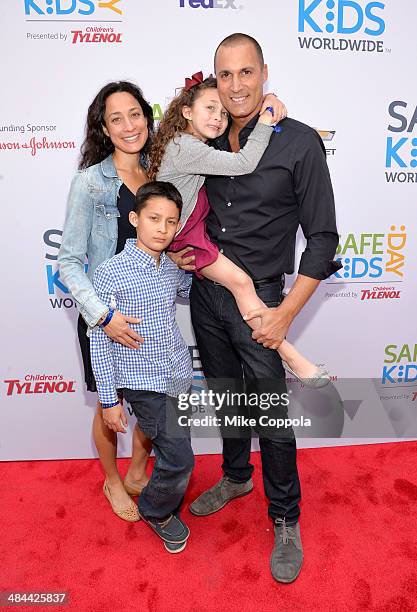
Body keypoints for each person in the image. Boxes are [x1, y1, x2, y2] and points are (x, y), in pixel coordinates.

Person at [173, 34, 342, 583]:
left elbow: (322, 238)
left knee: (270, 412)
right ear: (213, 81)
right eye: (226, 75)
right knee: (226, 396)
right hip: (205, 291)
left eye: (247, 73)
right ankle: (236, 475)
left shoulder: (298, 143)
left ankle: (286, 516)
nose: (237, 85)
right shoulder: (208, 135)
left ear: (264, 73)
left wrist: (287, 312)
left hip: (265, 298)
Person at [150, 73, 329, 386]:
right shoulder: (186, 148)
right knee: (243, 284)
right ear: (187, 112)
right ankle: (289, 354)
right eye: (209, 109)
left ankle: (289, 356)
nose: (218, 118)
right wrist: (267, 119)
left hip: (193, 232)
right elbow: (243, 163)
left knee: (241, 287)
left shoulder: (193, 144)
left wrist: (266, 107)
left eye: (222, 112)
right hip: (188, 235)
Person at [58, 82, 154, 522]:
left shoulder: (159, 172)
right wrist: (103, 316)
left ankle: (137, 468)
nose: (128, 125)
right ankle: (112, 480)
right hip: (104, 316)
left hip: (151, 309)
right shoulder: (90, 182)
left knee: (154, 396)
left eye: (135, 114)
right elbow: (69, 263)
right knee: (108, 405)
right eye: (116, 118)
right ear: (104, 127)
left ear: (147, 117)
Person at [90, 181, 194, 554]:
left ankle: (148, 486)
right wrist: (108, 400)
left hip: (178, 373)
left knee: (173, 450)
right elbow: (99, 340)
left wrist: (192, 268)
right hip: (142, 381)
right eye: (154, 218)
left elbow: (186, 290)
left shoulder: (168, 268)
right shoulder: (110, 272)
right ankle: (156, 510)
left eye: (171, 221)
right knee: (181, 458)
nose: (162, 228)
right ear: (135, 218)